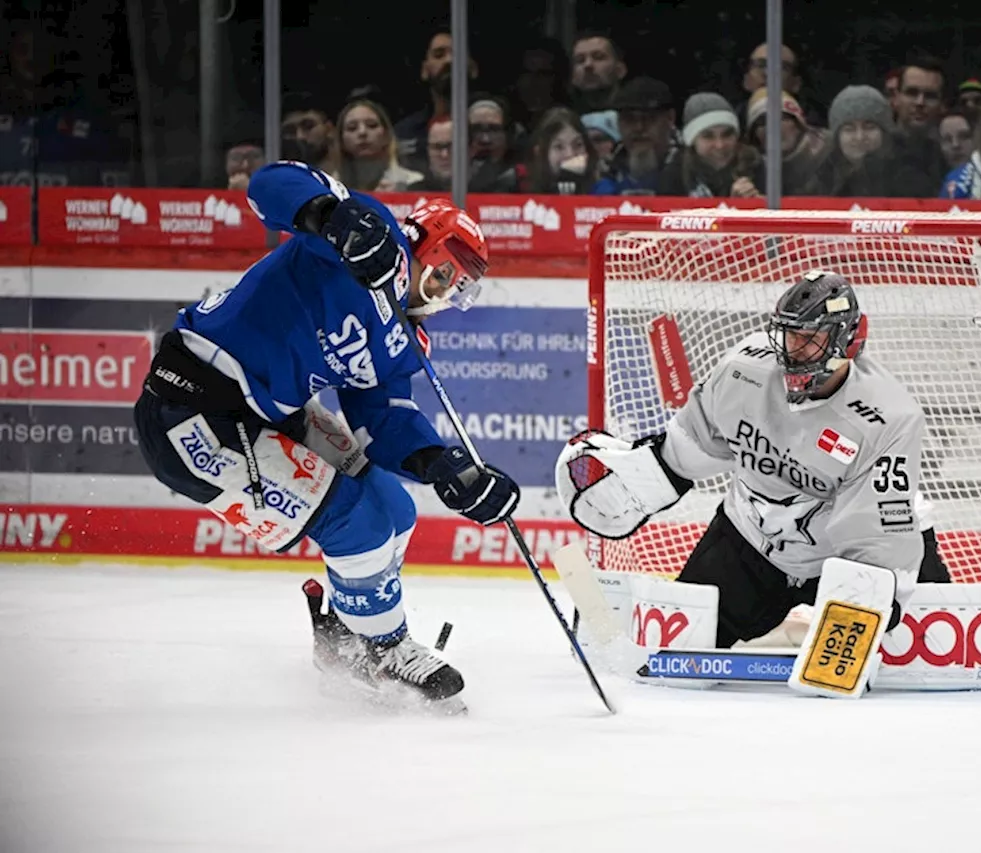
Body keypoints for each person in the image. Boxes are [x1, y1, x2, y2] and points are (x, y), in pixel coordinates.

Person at [132, 161, 519, 707]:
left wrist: (441, 464)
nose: (441, 294)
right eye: (442, 274)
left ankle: (345, 640)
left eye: (457, 289)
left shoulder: (403, 343)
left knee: (394, 509)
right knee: (355, 519)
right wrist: (333, 216)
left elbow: (381, 421)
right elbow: (268, 185)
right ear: (420, 248)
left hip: (266, 414)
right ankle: (385, 649)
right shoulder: (371, 236)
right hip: (191, 409)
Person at [556, 271, 927, 648]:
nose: (792, 349)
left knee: (915, 658)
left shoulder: (887, 418)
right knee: (676, 651)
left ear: (847, 341)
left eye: (809, 339)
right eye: (788, 334)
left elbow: (875, 531)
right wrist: (640, 476)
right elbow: (693, 445)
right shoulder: (743, 370)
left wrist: (872, 599)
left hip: (838, 561)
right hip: (748, 542)